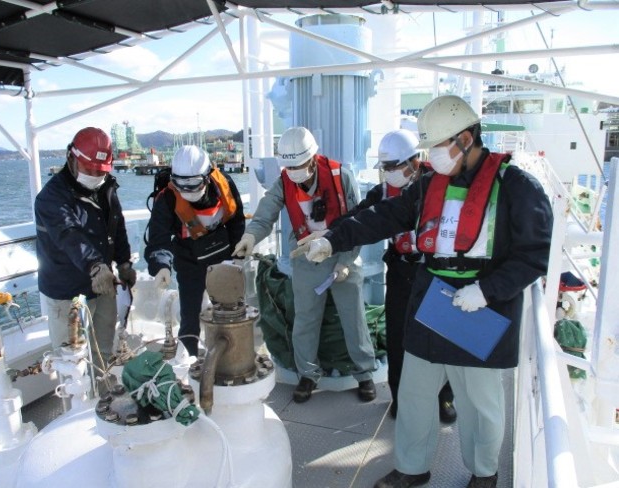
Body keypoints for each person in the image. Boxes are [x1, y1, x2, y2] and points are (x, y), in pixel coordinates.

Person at [299, 95, 553, 488]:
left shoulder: (518, 187)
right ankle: (412, 467)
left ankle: (484, 473)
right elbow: (383, 216)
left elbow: (533, 255)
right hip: (431, 302)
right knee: (415, 395)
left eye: (438, 146)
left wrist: (486, 291)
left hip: (479, 309)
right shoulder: (429, 185)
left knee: (480, 404)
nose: (432, 156)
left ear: (466, 139)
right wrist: (332, 239)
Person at [232, 126, 377, 403]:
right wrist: (251, 236)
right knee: (305, 319)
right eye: (289, 166)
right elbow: (265, 214)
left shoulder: (340, 176)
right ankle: (308, 375)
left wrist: (345, 262)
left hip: (342, 255)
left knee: (353, 318)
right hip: (307, 258)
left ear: (312, 158)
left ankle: (364, 373)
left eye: (298, 165)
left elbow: (358, 223)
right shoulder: (284, 183)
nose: (294, 171)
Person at [336, 129, 456, 423]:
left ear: (415, 162)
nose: (389, 173)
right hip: (402, 271)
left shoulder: (441, 184)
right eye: (385, 168)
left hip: (435, 272)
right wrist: (328, 235)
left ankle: (445, 399)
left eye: (393, 167)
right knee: (398, 338)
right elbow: (360, 217)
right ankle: (400, 398)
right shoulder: (382, 193)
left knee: (441, 338)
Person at [35, 127, 136, 367]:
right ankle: (78, 404)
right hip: (66, 293)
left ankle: (102, 399)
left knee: (103, 353)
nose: (94, 174)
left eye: (99, 171)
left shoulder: (105, 188)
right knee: (72, 365)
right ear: (71, 158)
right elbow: (70, 235)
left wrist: (123, 263)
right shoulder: (51, 198)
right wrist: (95, 266)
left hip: (103, 287)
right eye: (88, 169)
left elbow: (117, 225)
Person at [144, 145, 245, 357]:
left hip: (223, 256)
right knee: (189, 317)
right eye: (182, 185)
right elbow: (158, 238)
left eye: (193, 184)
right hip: (189, 260)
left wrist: (237, 256)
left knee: (228, 311)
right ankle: (188, 361)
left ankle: (229, 358)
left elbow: (236, 220)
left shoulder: (224, 184)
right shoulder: (168, 199)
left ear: (207, 177)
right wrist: (161, 266)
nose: (188, 191)